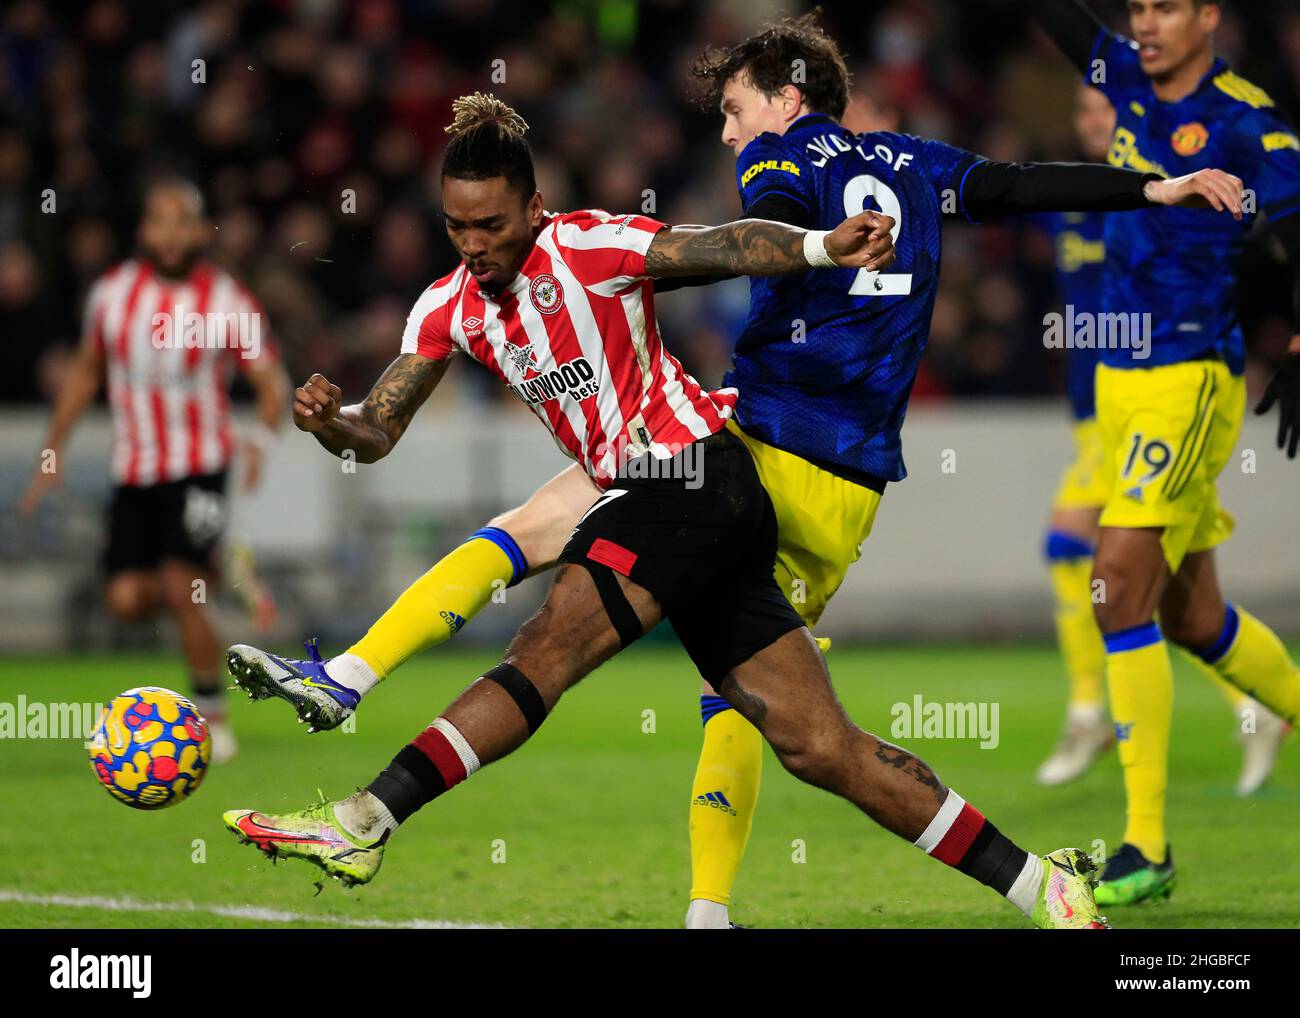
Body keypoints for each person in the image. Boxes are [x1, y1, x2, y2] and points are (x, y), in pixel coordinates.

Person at [226, 15, 1245, 927]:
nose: (474, 243)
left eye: (733, 111)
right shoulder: (912, 161)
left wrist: (808, 243)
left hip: (701, 472)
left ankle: (364, 807)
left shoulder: (639, 222)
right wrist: (334, 425)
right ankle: (1041, 889)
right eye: (459, 227)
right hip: (767, 469)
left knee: (547, 634)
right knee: (816, 742)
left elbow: (721, 241)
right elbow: (1019, 187)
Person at [1026, 0, 1300, 904]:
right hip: (1116, 381)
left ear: (1210, 16)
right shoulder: (1122, 76)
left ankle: (1147, 847)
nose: (1144, 23)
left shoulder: (1244, 118)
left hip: (1186, 376)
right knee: (1189, 616)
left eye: (1165, 8)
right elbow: (1059, 21)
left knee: (1115, 579)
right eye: (1137, 7)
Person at [19, 177, 289, 762]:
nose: (169, 233)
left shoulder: (226, 300)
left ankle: (213, 718)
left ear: (199, 230)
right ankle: (222, 566)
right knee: (124, 599)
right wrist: (53, 449)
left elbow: (271, 381)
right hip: (135, 471)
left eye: (182, 220)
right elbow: (87, 371)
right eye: (158, 220)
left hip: (200, 466)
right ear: (143, 230)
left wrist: (262, 443)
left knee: (178, 583)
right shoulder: (111, 296)